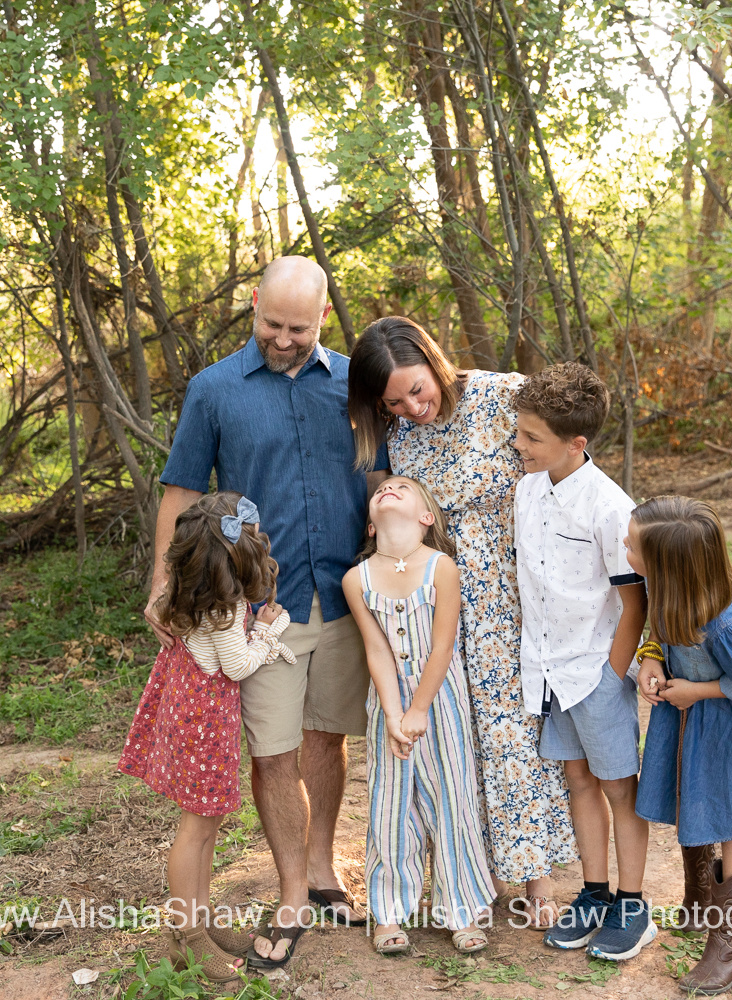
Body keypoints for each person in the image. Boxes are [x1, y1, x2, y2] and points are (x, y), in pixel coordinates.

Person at [145, 257, 387, 969]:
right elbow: (181, 490)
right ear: (254, 306)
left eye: (300, 329)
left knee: (327, 740)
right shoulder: (214, 389)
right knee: (275, 751)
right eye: (272, 325)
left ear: (323, 320)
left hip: (345, 593)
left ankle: (320, 871)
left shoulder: (354, 383)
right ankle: (289, 892)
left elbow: (381, 473)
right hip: (257, 610)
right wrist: (163, 581)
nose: (284, 340)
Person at [348, 317, 577, 928]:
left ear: (434, 360)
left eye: (418, 390)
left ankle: (540, 877)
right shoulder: (401, 436)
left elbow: (569, 471)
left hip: (512, 595)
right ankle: (475, 872)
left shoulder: (505, 396)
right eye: (394, 401)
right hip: (435, 602)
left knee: (511, 731)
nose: (412, 408)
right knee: (458, 735)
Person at [120, 492, 294, 985]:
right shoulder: (223, 607)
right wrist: (266, 631)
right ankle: (186, 937)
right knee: (196, 830)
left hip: (195, 720)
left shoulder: (193, 590)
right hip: (204, 728)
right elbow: (235, 665)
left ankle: (201, 920)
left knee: (207, 825)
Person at [512, 362, 654, 962]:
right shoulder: (525, 487)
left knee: (619, 788)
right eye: (518, 433)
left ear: (577, 443)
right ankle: (594, 892)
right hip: (544, 668)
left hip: (594, 671)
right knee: (577, 782)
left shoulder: (609, 507)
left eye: (530, 438)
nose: (518, 446)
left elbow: (634, 603)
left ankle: (632, 902)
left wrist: (610, 675)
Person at [629, 496, 732, 995]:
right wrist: (652, 657)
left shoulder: (724, 625)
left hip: (727, 729)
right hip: (690, 724)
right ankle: (702, 902)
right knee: (693, 797)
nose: (623, 547)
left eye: (633, 547)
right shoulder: (668, 589)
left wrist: (697, 690)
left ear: (667, 564)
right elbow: (660, 628)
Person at [342, 476, 495, 954]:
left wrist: (421, 708)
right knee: (390, 806)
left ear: (427, 518)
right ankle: (389, 913)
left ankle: (462, 908)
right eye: (383, 488)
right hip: (387, 706)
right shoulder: (357, 580)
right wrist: (393, 714)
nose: (390, 488)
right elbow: (376, 650)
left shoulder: (441, 568)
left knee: (453, 800)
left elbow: (444, 645)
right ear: (370, 524)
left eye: (403, 487)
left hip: (440, 702)